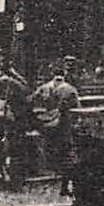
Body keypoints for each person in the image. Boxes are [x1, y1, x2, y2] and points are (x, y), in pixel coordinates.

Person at [31, 59, 82, 196]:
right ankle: (62, 180)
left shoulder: (44, 88)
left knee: (49, 146)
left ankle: (49, 170)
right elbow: (77, 109)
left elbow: (33, 102)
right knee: (65, 151)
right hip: (64, 124)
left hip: (46, 123)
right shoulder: (70, 89)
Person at [0, 55, 32, 184]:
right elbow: (25, 89)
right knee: (1, 142)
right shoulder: (10, 81)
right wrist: (14, 74)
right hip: (2, 113)